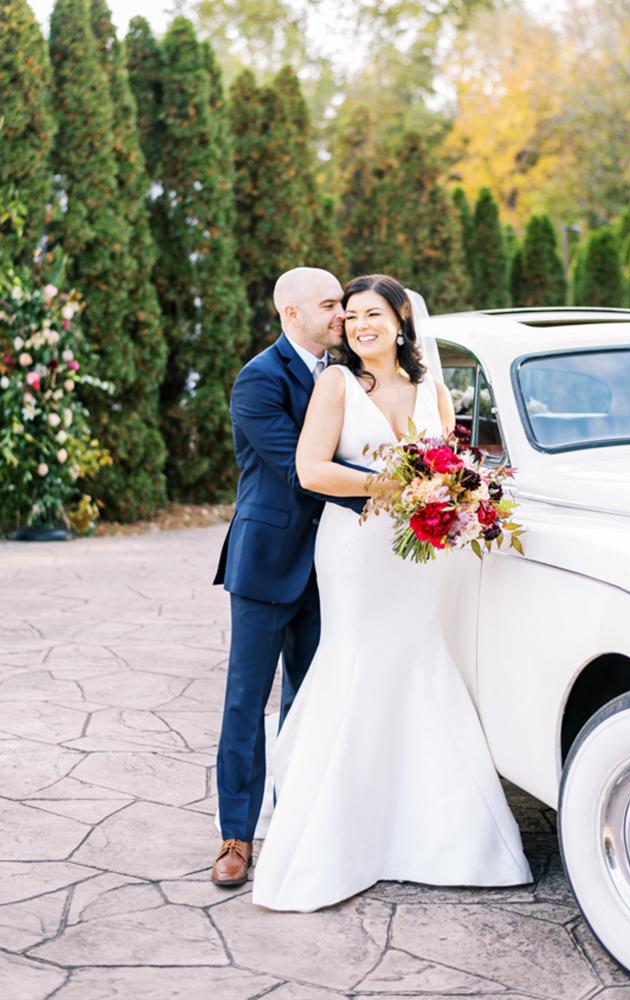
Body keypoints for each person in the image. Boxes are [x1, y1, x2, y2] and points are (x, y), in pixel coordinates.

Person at [251, 274, 532, 911]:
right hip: (357, 549)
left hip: (421, 553)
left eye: (372, 313)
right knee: (361, 663)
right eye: (350, 317)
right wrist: (397, 483)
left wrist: (459, 495)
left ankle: (437, 832)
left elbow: (453, 462)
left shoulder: (434, 388)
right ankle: (342, 831)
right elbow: (310, 469)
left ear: (402, 319)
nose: (358, 325)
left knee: (419, 661)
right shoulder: (336, 384)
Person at [211, 266, 369, 886]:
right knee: (247, 702)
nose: (342, 314)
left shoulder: (352, 377)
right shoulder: (257, 380)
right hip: (267, 560)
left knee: (311, 695)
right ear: (292, 314)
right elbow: (303, 469)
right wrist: (399, 495)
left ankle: (301, 818)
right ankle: (235, 836)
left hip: (333, 565)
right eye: (330, 305)